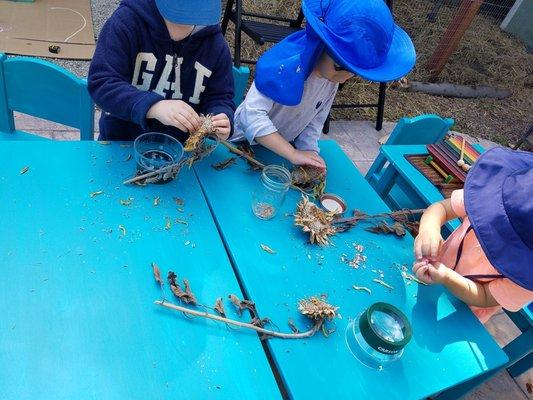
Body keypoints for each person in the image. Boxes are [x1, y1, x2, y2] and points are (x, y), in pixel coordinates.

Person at [231, 0, 416, 169]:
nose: (345, 78)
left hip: (275, 152)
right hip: (240, 143)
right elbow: (251, 117)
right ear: (320, 45)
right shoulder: (282, 68)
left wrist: (310, 152)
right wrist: (292, 153)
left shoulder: (330, 80)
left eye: (354, 72)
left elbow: (315, 121)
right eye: (339, 67)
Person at [413, 147, 533, 323]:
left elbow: (484, 297)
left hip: (462, 315)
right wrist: (428, 228)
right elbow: (441, 209)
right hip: (429, 276)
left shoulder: (527, 281)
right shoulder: (490, 199)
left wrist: (447, 277)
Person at [88, 0, 234, 142]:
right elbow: (102, 83)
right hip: (120, 143)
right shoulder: (127, 22)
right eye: (178, 14)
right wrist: (153, 106)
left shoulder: (215, 45)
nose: (184, 25)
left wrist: (221, 117)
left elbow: (220, 96)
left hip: (180, 150)